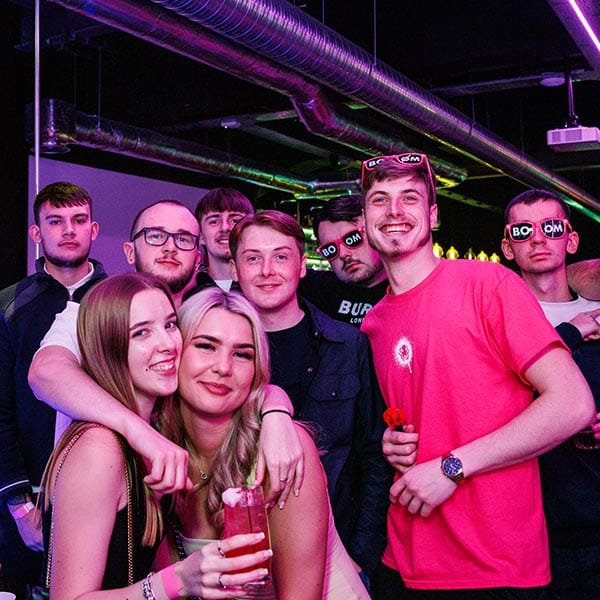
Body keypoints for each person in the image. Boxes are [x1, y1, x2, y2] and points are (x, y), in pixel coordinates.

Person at [358, 152, 595, 598]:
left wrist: (451, 467)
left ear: (432, 215)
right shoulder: (374, 322)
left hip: (493, 566)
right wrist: (392, 441)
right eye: (379, 200)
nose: (394, 212)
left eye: (410, 198)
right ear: (364, 219)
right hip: (402, 559)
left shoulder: (488, 284)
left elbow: (572, 403)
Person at [28, 199, 303, 508]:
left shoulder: (202, 320)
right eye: (155, 235)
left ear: (198, 258)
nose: (170, 247)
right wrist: (140, 433)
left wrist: (276, 408)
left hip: (171, 502)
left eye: (183, 239)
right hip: (95, 486)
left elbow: (238, 376)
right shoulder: (94, 311)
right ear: (130, 251)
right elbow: (45, 373)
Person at [41, 272, 273, 599]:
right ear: (109, 347)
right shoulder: (100, 447)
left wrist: (276, 410)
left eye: (169, 325)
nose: (166, 344)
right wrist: (176, 580)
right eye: (141, 333)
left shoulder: (150, 434)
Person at [153, 286, 370, 599]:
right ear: (176, 351)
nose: (223, 367)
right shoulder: (159, 452)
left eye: (242, 354)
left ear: (257, 372)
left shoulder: (281, 452)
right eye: (206, 346)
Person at [229, 210, 392, 588]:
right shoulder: (215, 352)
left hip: (336, 558)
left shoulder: (348, 345)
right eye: (253, 258)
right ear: (235, 269)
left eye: (281, 256)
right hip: (243, 563)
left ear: (303, 266)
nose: (268, 270)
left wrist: (359, 557)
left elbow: (373, 456)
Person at [0, 181, 106, 599]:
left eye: (79, 220)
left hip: (107, 487)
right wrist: (20, 507)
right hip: (29, 497)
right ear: (36, 233)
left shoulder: (119, 300)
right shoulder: (10, 305)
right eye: (55, 221)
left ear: (93, 229)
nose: (68, 230)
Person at [501, 188, 600, 599]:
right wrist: (570, 333)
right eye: (523, 230)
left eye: (551, 227)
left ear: (570, 240)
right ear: (508, 247)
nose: (537, 238)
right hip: (524, 526)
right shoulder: (496, 322)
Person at [299, 195, 388, 327]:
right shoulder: (318, 290)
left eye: (351, 239)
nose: (344, 254)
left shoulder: (412, 289)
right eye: (330, 249)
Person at [190, 187, 254, 292]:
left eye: (234, 220)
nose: (225, 227)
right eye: (214, 221)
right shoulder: (186, 294)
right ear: (200, 236)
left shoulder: (266, 287)